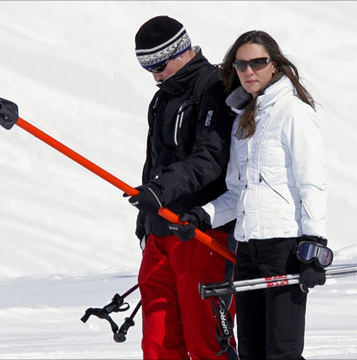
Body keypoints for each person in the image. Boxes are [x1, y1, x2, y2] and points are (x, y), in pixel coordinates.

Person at [171, 30, 328, 360]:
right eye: (241, 65)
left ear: (274, 65)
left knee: (282, 352)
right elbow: (237, 193)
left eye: (258, 62)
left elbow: (311, 183)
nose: (249, 71)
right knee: (252, 353)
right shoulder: (242, 120)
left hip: (285, 248)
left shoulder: (294, 113)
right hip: (247, 248)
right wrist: (202, 216)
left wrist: (314, 245)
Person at [127, 15, 237, 360]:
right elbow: (156, 159)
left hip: (200, 233)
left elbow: (210, 158)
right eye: (149, 70)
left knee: (205, 339)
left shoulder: (215, 88)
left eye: (159, 65)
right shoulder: (161, 99)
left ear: (181, 50)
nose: (156, 76)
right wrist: (146, 224)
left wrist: (162, 190)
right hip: (160, 235)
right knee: (158, 343)